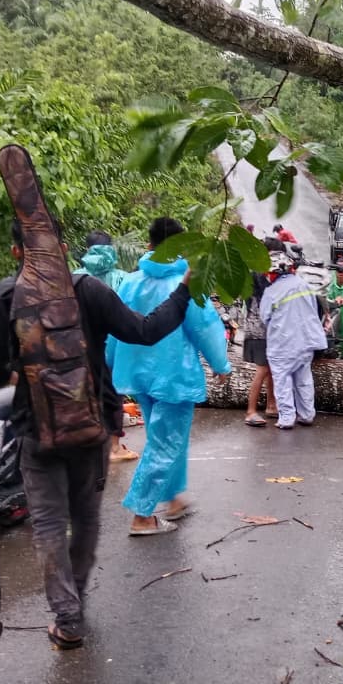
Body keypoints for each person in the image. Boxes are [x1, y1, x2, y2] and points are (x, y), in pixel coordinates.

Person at [0, 218, 194, 650]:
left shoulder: (5, 295)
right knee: (86, 518)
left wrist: (22, 366)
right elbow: (144, 331)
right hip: (89, 426)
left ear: (17, 251)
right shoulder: (89, 289)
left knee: (50, 523)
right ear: (63, 245)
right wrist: (184, 289)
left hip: (36, 431)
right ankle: (75, 603)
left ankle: (67, 615)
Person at [108, 217, 232, 536]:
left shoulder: (130, 282)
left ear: (149, 245)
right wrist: (221, 365)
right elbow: (205, 328)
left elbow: (114, 328)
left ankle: (173, 499)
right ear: (182, 247)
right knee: (166, 444)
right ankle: (142, 514)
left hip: (137, 376)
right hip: (175, 375)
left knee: (161, 440)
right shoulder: (186, 284)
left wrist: (108, 363)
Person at [73, 230, 138, 463]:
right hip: (113, 347)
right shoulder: (123, 278)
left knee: (82, 393)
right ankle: (113, 447)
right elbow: (128, 315)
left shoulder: (73, 276)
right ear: (111, 248)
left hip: (80, 347)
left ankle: (84, 444)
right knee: (113, 394)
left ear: (87, 249)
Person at [260, 248, 327, 429]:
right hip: (306, 342)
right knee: (304, 381)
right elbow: (314, 309)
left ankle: (287, 418)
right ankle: (306, 414)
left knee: (282, 382)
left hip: (282, 345)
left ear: (272, 273)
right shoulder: (304, 285)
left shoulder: (271, 291)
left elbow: (264, 317)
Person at [241, 236, 280, 427]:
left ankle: (271, 405)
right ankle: (250, 411)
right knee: (263, 368)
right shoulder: (259, 272)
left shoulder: (257, 270)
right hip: (259, 328)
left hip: (262, 327)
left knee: (270, 368)